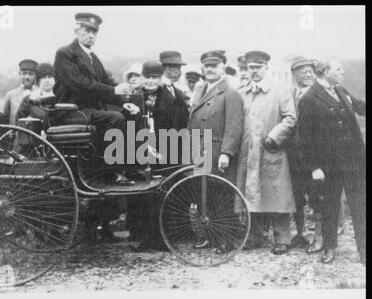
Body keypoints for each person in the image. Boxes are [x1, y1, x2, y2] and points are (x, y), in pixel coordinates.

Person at [53, 12, 136, 185]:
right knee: (115, 118)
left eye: (94, 32)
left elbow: (105, 83)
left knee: (130, 115)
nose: (91, 35)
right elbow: (80, 84)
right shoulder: (65, 54)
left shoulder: (93, 58)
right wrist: (115, 91)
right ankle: (109, 172)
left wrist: (124, 102)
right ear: (77, 30)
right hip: (71, 111)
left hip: (90, 111)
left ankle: (129, 167)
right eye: (86, 30)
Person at [298, 57, 365, 264]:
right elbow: (305, 139)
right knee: (330, 208)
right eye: (338, 69)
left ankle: (363, 250)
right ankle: (330, 248)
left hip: (353, 162)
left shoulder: (341, 91)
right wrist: (314, 167)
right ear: (326, 72)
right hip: (328, 166)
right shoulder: (309, 98)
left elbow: (361, 107)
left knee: (359, 207)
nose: (342, 72)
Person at [235, 50, 297, 255]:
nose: (254, 71)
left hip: (271, 151)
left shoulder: (280, 91)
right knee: (252, 193)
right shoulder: (241, 93)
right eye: (250, 68)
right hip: (248, 153)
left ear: (266, 68)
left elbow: (290, 118)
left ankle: (282, 238)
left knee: (277, 194)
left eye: (258, 67)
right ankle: (255, 236)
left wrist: (274, 137)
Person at [129, 60, 189, 252]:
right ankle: (146, 237)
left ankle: (165, 237)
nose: (151, 81)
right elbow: (128, 125)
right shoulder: (135, 97)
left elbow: (179, 126)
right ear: (142, 77)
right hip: (141, 152)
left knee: (165, 193)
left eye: (155, 77)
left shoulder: (173, 97)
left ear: (160, 77)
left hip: (167, 152)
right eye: (147, 77)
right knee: (144, 195)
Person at [188, 50, 244, 252]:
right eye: (207, 66)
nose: (210, 69)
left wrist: (226, 153)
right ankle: (210, 236)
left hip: (217, 151)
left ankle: (226, 240)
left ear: (223, 68)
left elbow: (234, 126)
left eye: (214, 66)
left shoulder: (230, 93)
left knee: (222, 195)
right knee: (205, 194)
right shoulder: (200, 90)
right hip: (200, 150)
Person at [287, 57, 315, 249]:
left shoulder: (318, 94)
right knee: (296, 196)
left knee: (317, 195)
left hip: (314, 156)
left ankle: (320, 236)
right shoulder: (289, 94)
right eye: (303, 72)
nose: (308, 74)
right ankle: (300, 231)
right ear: (294, 74)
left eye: (310, 71)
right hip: (293, 156)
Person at [15, 63, 56, 127]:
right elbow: (19, 122)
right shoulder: (28, 100)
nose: (47, 80)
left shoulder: (60, 98)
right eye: (44, 77)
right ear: (38, 80)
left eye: (50, 77)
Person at [3, 59, 38, 125]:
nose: (27, 77)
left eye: (31, 74)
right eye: (24, 73)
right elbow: (5, 121)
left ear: (35, 75)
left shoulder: (40, 93)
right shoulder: (10, 95)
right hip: (15, 134)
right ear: (19, 74)